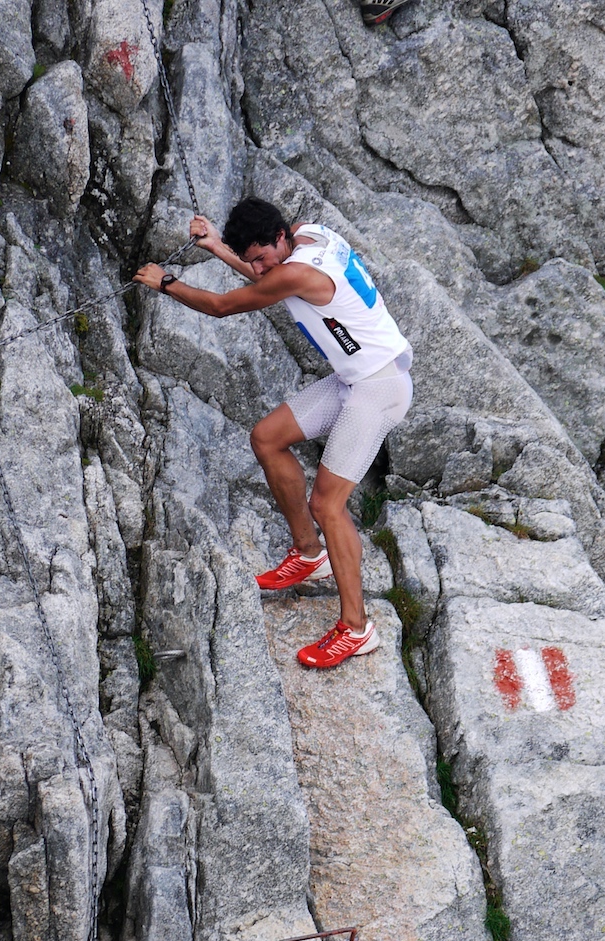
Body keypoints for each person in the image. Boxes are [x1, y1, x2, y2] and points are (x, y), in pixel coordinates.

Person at [134, 198, 413, 669]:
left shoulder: (297, 273)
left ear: (280, 237)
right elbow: (268, 276)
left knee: (328, 505)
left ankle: (356, 628)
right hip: (355, 378)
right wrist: (218, 246)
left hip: (379, 387)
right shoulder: (305, 234)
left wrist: (166, 283)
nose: (259, 267)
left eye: (262, 257)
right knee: (267, 437)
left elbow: (223, 306)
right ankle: (309, 554)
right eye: (253, 260)